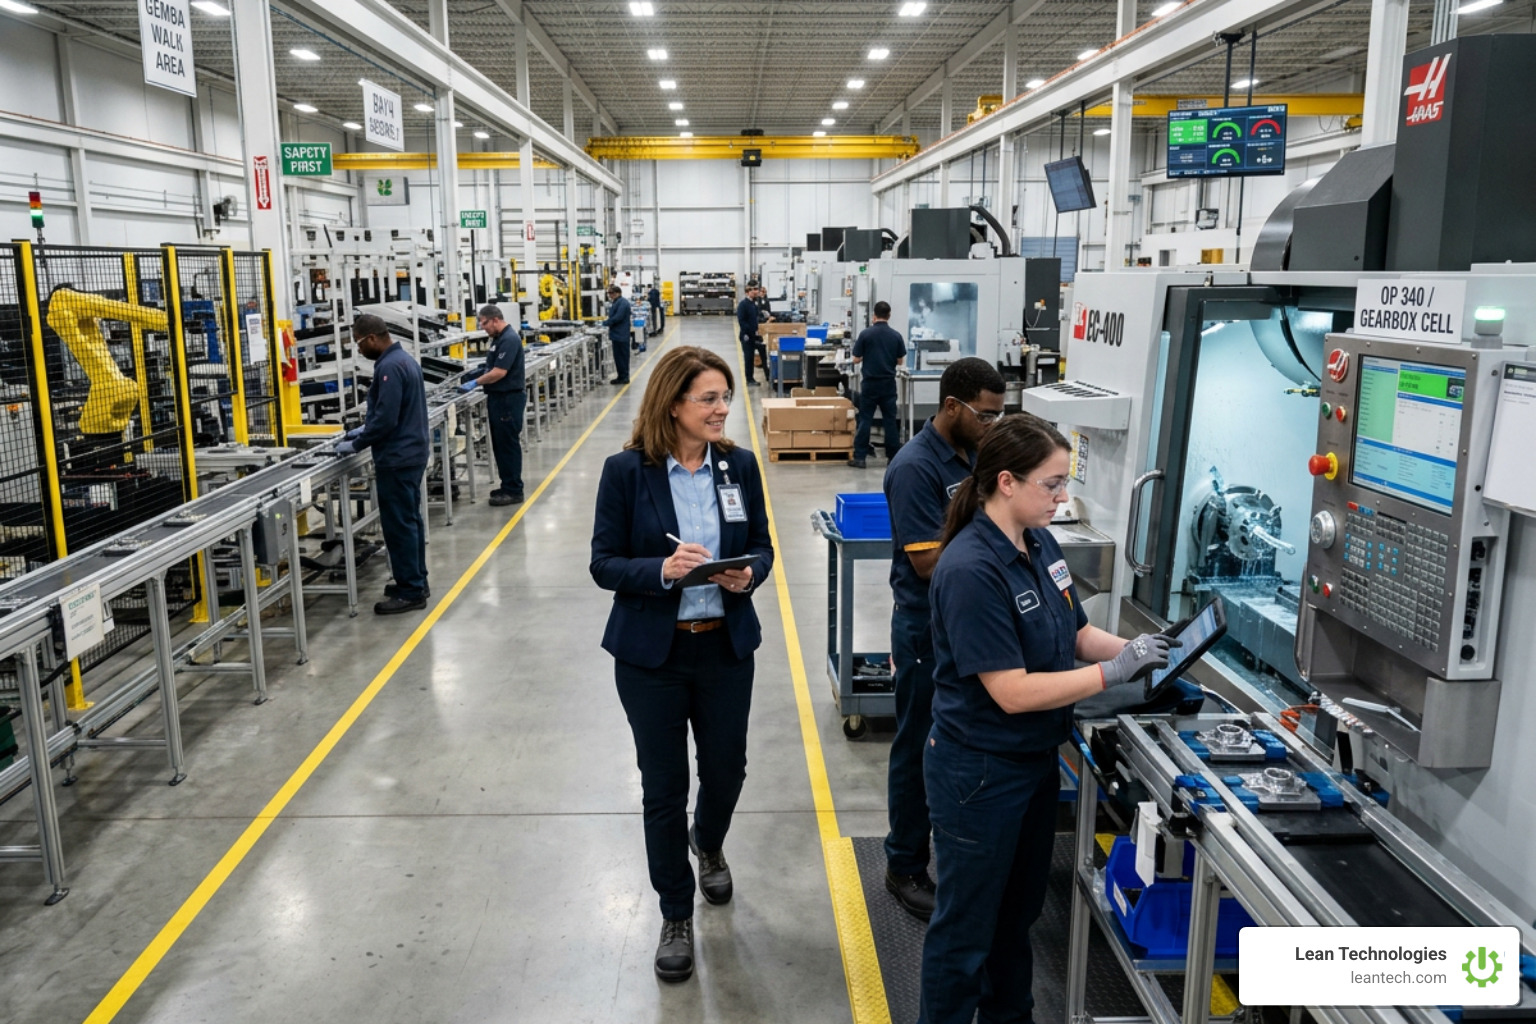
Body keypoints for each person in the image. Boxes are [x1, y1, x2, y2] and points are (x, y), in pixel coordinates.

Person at [919, 414, 1180, 1024]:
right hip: (979, 774)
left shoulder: (1040, 543)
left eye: (1064, 484)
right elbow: (1010, 691)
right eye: (1053, 484)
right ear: (1006, 482)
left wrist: (1148, 655)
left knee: (1015, 920)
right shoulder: (970, 570)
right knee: (965, 933)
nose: (1063, 497)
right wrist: (1113, 676)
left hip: (1034, 764)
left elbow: (1077, 632)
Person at [590, 346, 775, 983]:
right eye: (710, 399)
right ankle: (675, 913)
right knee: (663, 788)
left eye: (725, 397)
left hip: (724, 647)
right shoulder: (626, 472)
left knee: (727, 767)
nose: (724, 408)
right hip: (652, 657)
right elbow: (603, 563)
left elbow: (762, 545)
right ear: (674, 404)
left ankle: (711, 842)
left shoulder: (739, 466)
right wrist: (661, 572)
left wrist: (749, 573)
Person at [881, 357, 1007, 921]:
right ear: (951, 406)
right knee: (917, 743)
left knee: (953, 741)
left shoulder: (975, 453)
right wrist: (994, 551)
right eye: (985, 415)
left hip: (965, 621)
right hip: (923, 628)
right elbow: (930, 562)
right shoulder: (915, 467)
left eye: (1000, 417)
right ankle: (903, 863)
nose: (991, 426)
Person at [335, 314, 431, 615]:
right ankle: (416, 580)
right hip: (410, 453)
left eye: (359, 344)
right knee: (410, 521)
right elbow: (390, 412)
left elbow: (387, 419)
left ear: (372, 338)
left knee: (399, 525)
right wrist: (363, 429)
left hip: (398, 457)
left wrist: (358, 443)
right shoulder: (404, 360)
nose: (359, 350)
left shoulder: (390, 366)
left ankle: (410, 591)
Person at [461, 304, 525, 506]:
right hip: (499, 398)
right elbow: (491, 366)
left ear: (495, 319)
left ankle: (514, 490)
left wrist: (476, 382)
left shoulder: (509, 339)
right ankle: (508, 485)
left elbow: (499, 372)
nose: (483, 327)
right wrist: (475, 372)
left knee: (507, 446)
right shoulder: (498, 339)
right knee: (500, 445)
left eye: (484, 322)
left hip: (508, 399)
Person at [850, 299, 907, 469]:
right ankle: (893, 458)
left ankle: (860, 458)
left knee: (865, 419)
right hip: (888, 384)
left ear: (874, 315)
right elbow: (899, 361)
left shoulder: (865, 334)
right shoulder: (896, 336)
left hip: (870, 383)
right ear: (889, 315)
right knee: (890, 420)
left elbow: (856, 359)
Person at [736, 285, 766, 386]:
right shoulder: (743, 305)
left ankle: (752, 378)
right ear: (748, 292)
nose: (756, 291)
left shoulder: (754, 303)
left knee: (752, 357)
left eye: (757, 289)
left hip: (754, 335)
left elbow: (756, 317)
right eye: (754, 290)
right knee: (748, 358)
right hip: (747, 336)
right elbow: (742, 321)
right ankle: (749, 380)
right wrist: (750, 331)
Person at [604, 284, 632, 384]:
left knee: (622, 357)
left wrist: (605, 323)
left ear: (618, 293)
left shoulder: (623, 303)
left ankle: (624, 377)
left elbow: (618, 317)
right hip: (617, 334)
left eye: (612, 293)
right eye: (609, 293)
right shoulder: (617, 302)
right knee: (618, 357)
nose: (610, 295)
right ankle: (621, 376)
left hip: (621, 335)